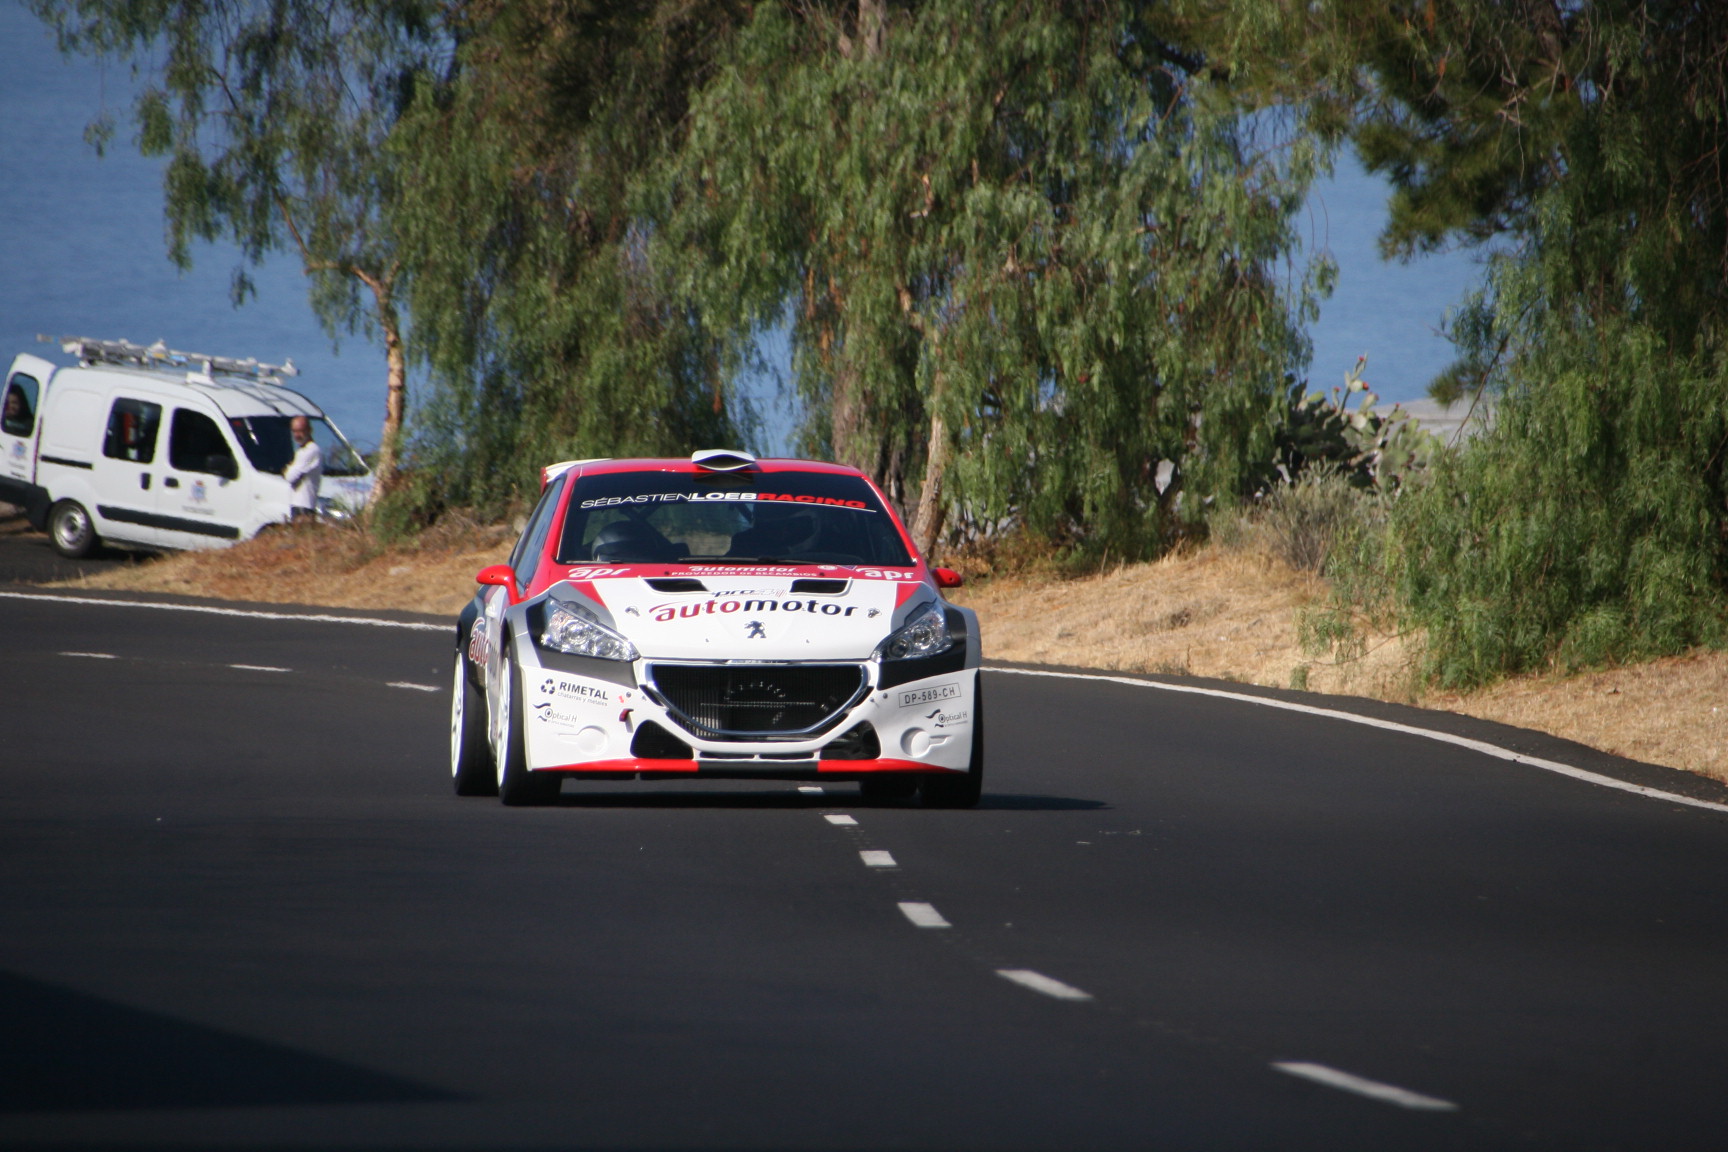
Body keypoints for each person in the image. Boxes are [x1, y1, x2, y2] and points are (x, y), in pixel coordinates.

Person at [283, 415, 323, 520]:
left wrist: (288, 469)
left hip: (304, 506)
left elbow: (290, 477)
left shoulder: (311, 450)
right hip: (297, 504)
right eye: (294, 431)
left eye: (300, 431)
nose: (297, 435)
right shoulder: (301, 451)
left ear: (309, 430)